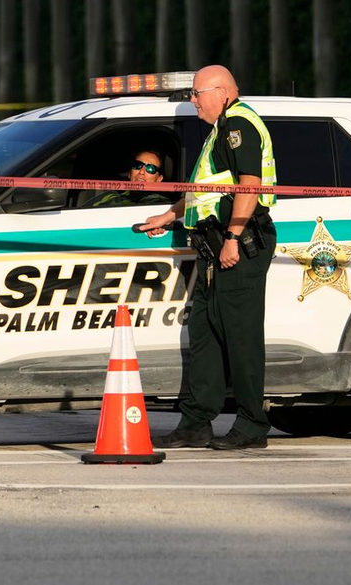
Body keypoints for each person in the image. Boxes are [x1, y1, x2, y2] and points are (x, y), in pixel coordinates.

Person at [139, 64, 277, 451]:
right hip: (214, 249)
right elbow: (207, 189)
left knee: (241, 338)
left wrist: (233, 236)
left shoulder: (238, 127)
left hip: (239, 243)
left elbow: (250, 185)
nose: (193, 101)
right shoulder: (220, 130)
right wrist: (169, 215)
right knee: (206, 335)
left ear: (222, 92)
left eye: (197, 94)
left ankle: (252, 426)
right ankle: (196, 422)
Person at [87, 149, 164, 207]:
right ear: (130, 173)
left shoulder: (162, 205)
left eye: (150, 169)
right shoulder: (110, 196)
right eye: (137, 165)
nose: (141, 172)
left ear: (159, 179)